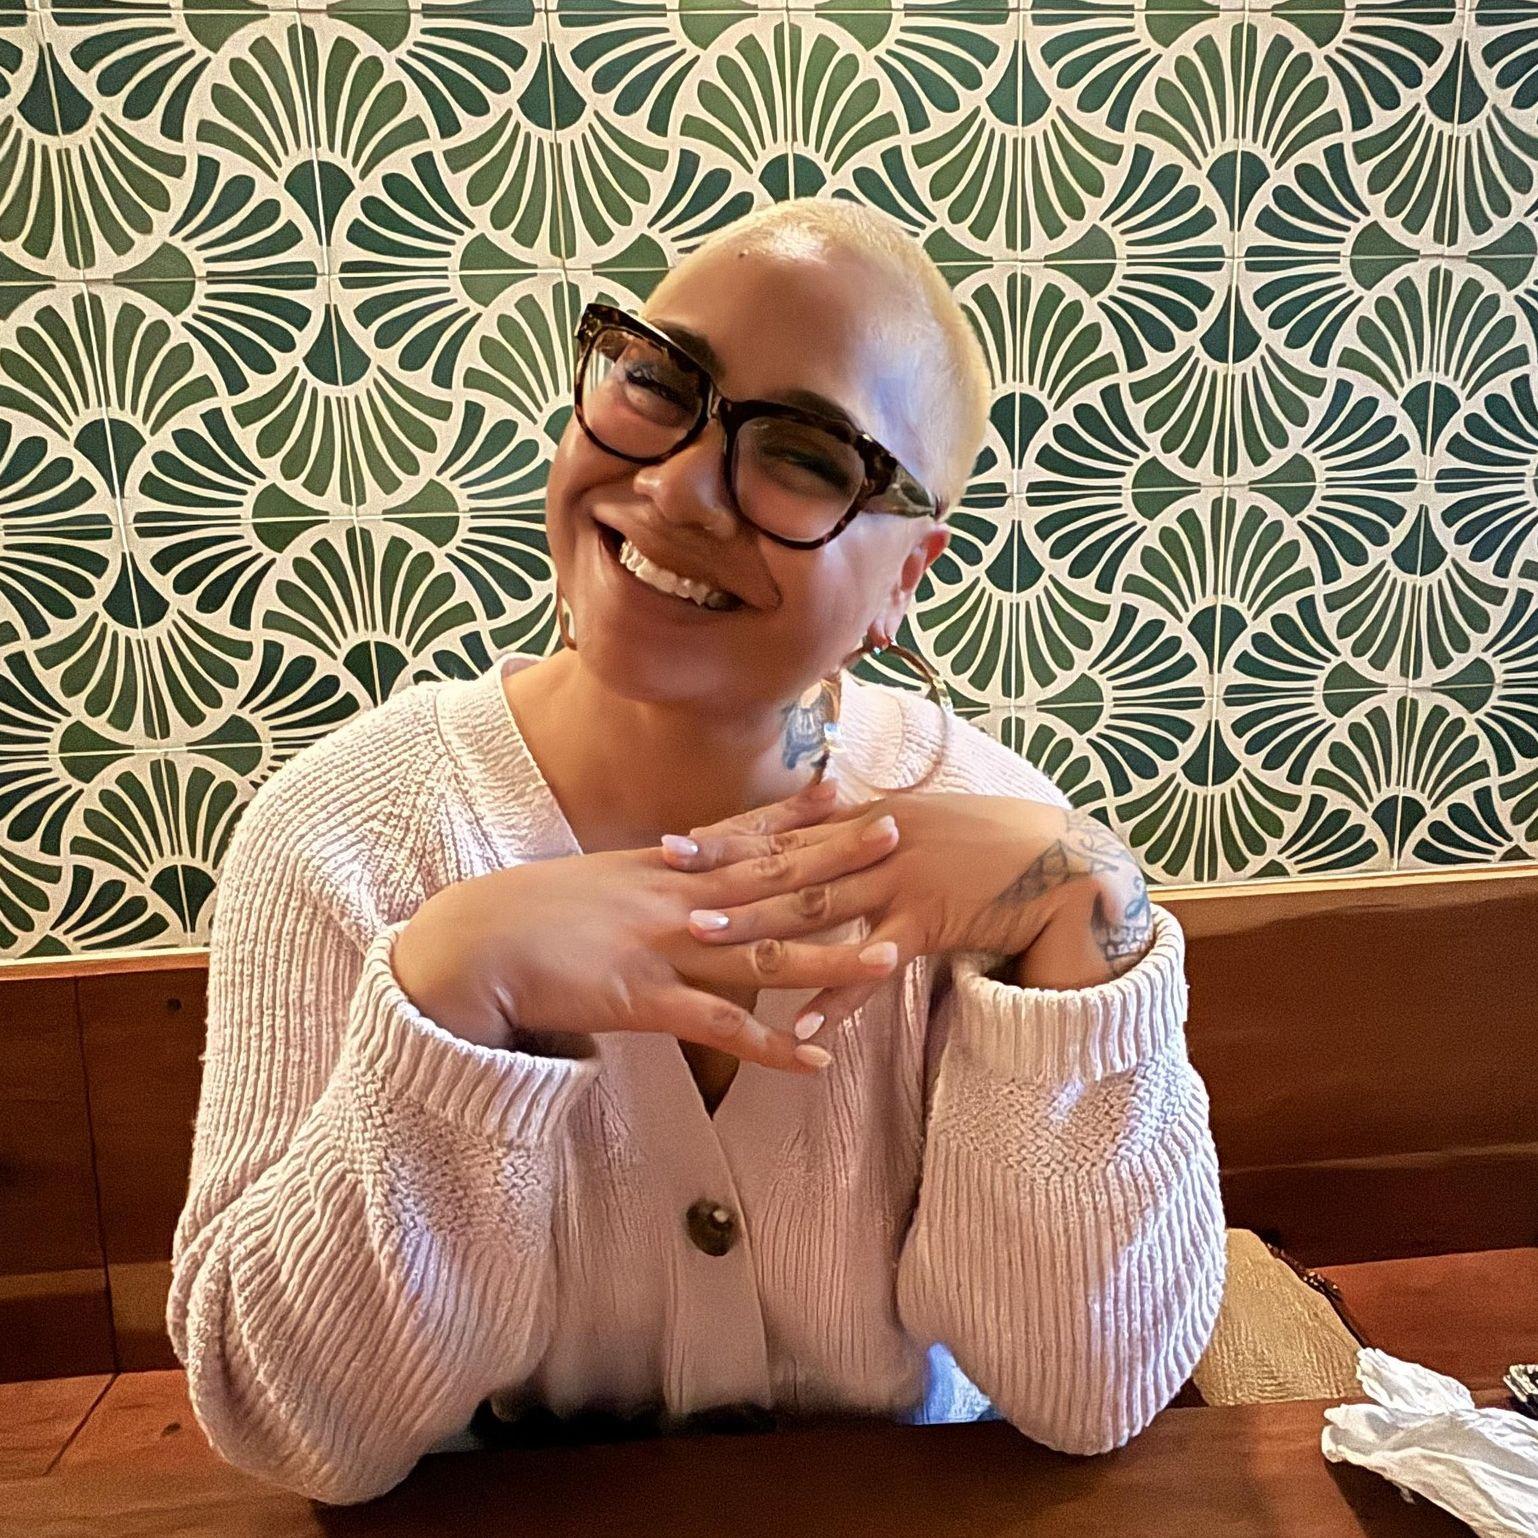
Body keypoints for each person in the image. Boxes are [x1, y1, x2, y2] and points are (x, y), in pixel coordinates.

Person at [166, 197, 1228, 1506]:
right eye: (659, 383)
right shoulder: (341, 836)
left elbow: (1093, 1392)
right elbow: (292, 1427)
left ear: (908, 575)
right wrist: (448, 997)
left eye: (804, 456)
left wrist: (1094, 910)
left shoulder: (1002, 849)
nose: (673, 485)